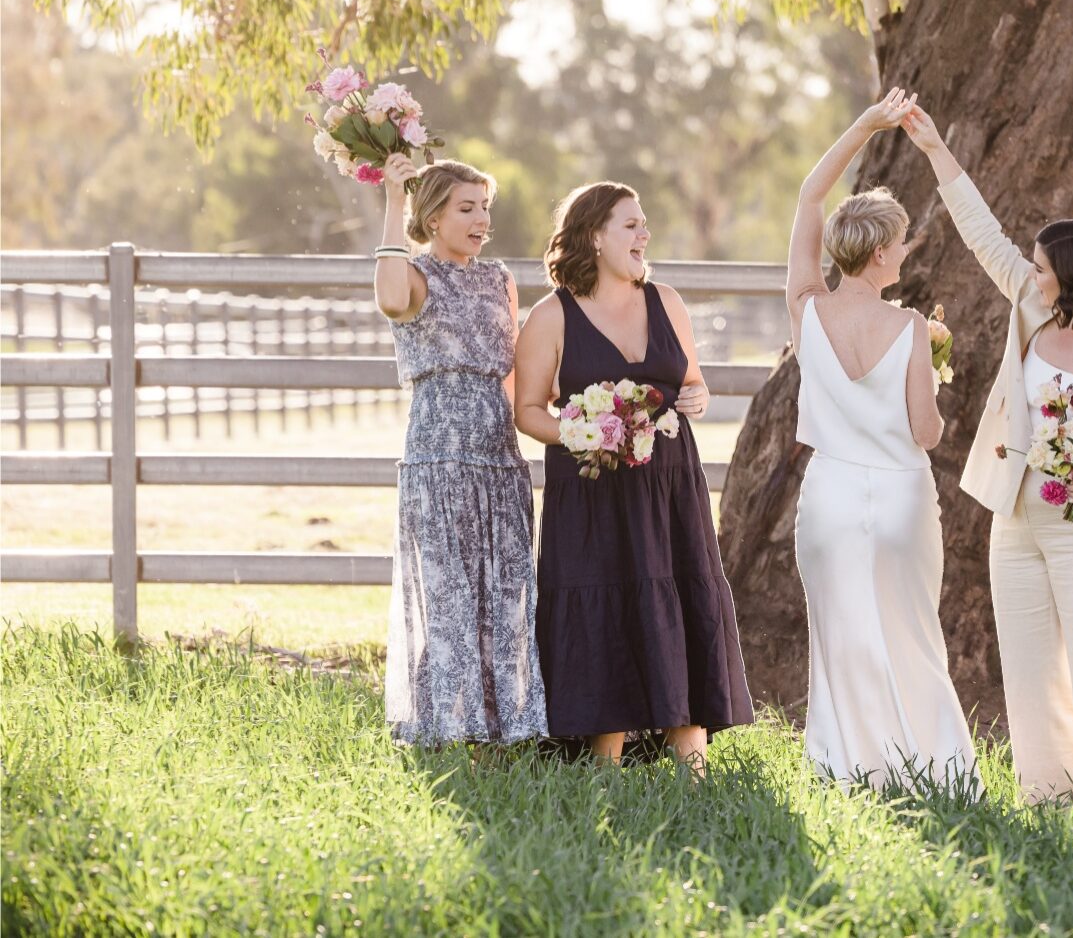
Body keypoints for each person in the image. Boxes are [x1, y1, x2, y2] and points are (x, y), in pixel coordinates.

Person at [903, 103, 1073, 810]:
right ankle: (1047, 799)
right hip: (1016, 516)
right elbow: (982, 232)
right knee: (1028, 668)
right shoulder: (1028, 304)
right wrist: (935, 148)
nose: (1032, 272)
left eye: (1043, 267)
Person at [512, 181, 754, 765]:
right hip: (592, 493)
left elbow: (692, 382)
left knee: (679, 596)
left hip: (669, 485)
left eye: (644, 224)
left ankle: (694, 769)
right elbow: (528, 411)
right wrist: (585, 434)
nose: (645, 234)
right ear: (595, 236)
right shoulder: (552, 316)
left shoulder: (666, 301)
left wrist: (697, 397)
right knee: (606, 607)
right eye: (631, 224)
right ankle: (606, 767)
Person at [787, 89, 980, 792]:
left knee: (839, 637)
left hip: (830, 496)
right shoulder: (910, 328)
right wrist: (935, 386)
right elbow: (926, 432)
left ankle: (847, 770)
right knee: (913, 633)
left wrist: (866, 126)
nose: (904, 251)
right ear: (877, 255)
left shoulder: (805, 308)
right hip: (899, 493)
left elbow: (810, 197)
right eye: (898, 243)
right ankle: (937, 771)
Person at [374, 154, 547, 746]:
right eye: (467, 209)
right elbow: (390, 299)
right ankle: (449, 730)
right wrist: (393, 197)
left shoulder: (499, 279)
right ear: (433, 217)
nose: (482, 221)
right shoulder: (413, 277)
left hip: (499, 459)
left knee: (505, 595)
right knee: (448, 601)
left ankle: (506, 728)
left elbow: (515, 373)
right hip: (439, 460)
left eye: (485, 209)